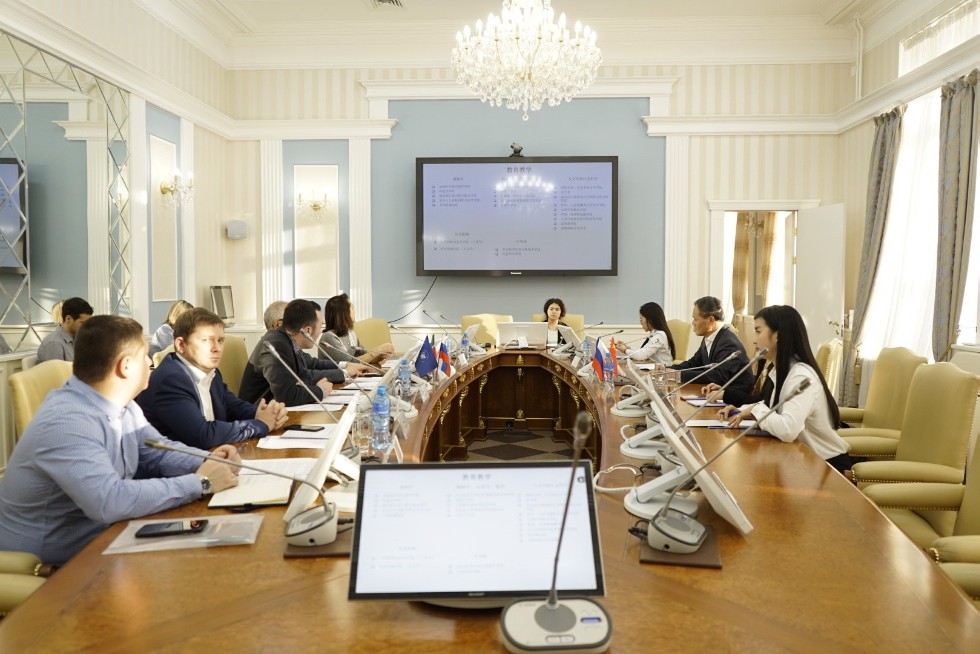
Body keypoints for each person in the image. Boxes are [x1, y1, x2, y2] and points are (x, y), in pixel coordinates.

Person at [0, 315, 240, 565]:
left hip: (106, 539)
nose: (150, 362)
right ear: (125, 366)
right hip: (54, 567)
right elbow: (109, 501)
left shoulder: (121, 404)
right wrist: (201, 483)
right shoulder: (67, 422)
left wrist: (209, 460)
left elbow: (158, 452)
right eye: (145, 356)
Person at [719, 305, 852, 473]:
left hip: (826, 466)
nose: (754, 340)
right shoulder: (780, 370)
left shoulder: (800, 376)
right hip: (801, 461)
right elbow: (774, 408)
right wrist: (743, 410)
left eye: (758, 331)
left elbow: (788, 430)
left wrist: (756, 410)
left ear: (778, 336)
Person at [137, 308, 289, 449]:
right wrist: (260, 424)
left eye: (220, 340)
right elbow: (203, 435)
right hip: (180, 464)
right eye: (206, 340)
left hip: (212, 456)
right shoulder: (170, 380)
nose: (217, 348)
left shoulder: (210, 372)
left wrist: (265, 413)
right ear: (181, 345)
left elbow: (233, 407)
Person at [239, 299, 344, 406]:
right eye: (320, 326)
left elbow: (304, 377)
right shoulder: (275, 345)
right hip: (257, 413)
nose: (320, 332)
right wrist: (320, 391)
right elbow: (286, 396)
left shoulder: (288, 341)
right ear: (307, 330)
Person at [670, 296, 753, 392]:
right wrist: (667, 370)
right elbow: (694, 363)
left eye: (695, 319)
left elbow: (718, 376)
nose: (693, 323)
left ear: (710, 320)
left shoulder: (728, 342)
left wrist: (678, 375)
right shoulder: (710, 336)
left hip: (734, 396)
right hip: (714, 392)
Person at [318, 293, 393, 372]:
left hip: (353, 377)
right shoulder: (328, 337)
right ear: (343, 313)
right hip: (336, 379)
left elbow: (366, 357)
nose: (355, 311)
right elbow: (350, 363)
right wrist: (379, 349)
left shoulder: (350, 333)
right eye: (352, 308)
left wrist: (381, 354)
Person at [37, 296, 94, 363]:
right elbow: (56, 370)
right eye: (82, 323)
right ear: (68, 319)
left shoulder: (76, 338)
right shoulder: (54, 343)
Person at [622, 301, 675, 366]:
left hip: (664, 370)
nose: (641, 323)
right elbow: (644, 350)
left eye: (641, 319)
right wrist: (628, 348)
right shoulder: (654, 333)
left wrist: (625, 350)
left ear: (650, 319)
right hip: (654, 368)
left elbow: (642, 355)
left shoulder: (660, 335)